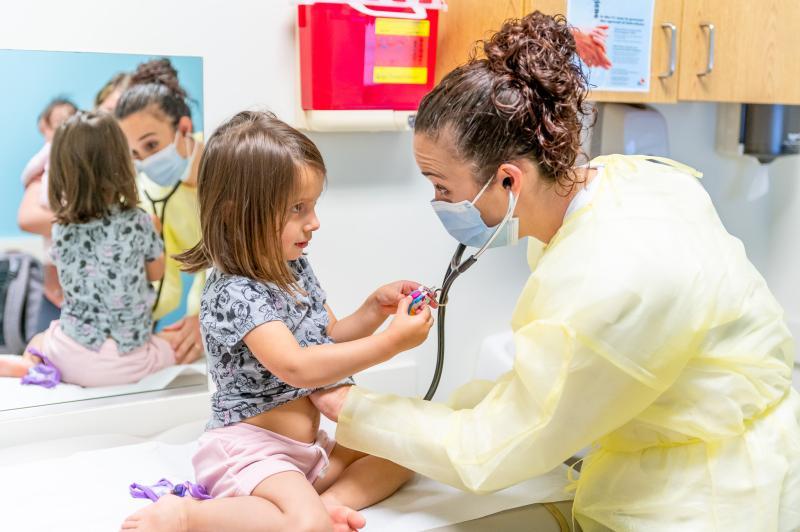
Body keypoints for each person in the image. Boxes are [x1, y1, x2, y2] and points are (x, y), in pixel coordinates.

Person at [309, 11, 800, 531]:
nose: (438, 203)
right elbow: (530, 390)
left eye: (441, 186)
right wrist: (390, 420)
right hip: (703, 458)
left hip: (708, 500)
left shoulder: (611, 274)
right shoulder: (616, 184)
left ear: (507, 182)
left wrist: (349, 406)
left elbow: (493, 449)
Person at [121, 111, 430, 532]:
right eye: (298, 209)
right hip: (251, 451)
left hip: (305, 453)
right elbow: (296, 367)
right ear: (237, 213)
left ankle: (325, 505)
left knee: (407, 453)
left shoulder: (294, 266)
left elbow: (329, 338)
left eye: (314, 205)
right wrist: (391, 344)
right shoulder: (233, 293)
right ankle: (189, 516)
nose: (314, 222)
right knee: (304, 525)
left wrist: (374, 310)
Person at [0, 112, 175, 386]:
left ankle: (31, 364)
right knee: (170, 345)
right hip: (131, 362)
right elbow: (155, 273)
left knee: (40, 339)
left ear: (61, 172)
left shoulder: (61, 229)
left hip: (71, 356)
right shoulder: (141, 222)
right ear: (122, 162)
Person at [116, 58, 205, 364]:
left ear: (184, 127)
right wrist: (132, 331)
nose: (145, 162)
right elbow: (165, 280)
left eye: (151, 145)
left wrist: (202, 317)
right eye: (135, 153)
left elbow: (231, 259)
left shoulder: (229, 166)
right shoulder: (148, 193)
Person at [17, 97, 78, 335]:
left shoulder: (82, 158)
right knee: (42, 349)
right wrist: (79, 217)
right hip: (54, 285)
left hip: (86, 283)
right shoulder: (44, 167)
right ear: (45, 127)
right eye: (58, 123)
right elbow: (27, 219)